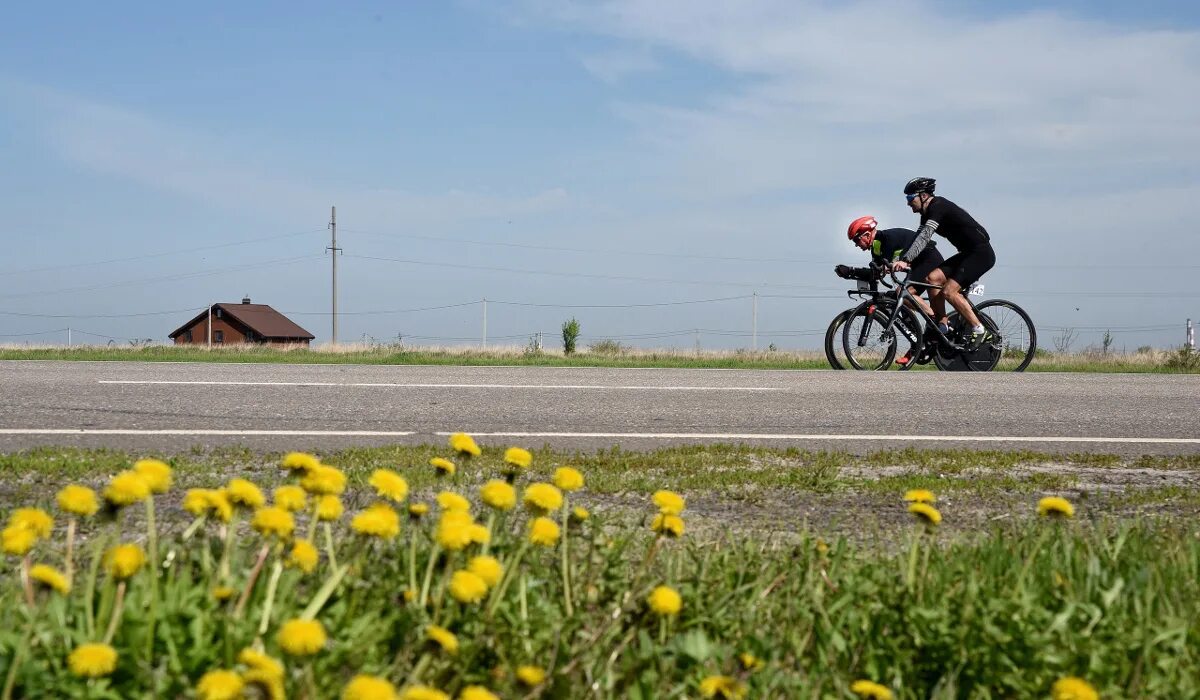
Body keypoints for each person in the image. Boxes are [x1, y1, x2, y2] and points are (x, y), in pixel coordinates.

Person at [891, 177, 996, 349]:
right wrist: (899, 260)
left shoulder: (938, 206)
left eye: (910, 198)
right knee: (932, 278)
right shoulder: (926, 214)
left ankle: (979, 329)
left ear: (923, 195)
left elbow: (924, 238)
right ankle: (943, 324)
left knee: (949, 292)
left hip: (981, 253)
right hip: (967, 254)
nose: (908, 203)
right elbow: (917, 239)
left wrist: (905, 260)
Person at [835, 216, 944, 364]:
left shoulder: (887, 240)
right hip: (918, 265)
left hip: (929, 259)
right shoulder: (876, 248)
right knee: (897, 297)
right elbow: (875, 275)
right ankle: (918, 340)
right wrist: (850, 273)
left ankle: (934, 320)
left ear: (867, 235)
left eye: (856, 240)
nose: (856, 245)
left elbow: (880, 271)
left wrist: (852, 271)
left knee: (901, 292)